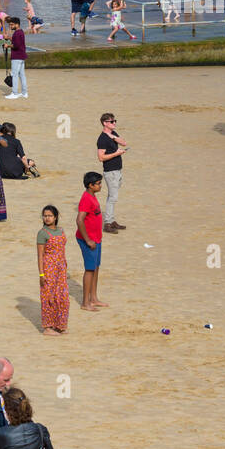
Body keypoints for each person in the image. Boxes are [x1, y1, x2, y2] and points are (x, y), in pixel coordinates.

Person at [76, 171, 105, 311]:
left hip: (96, 239)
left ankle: (93, 298)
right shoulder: (86, 199)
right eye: (98, 184)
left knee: (96, 267)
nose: (100, 186)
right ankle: (85, 303)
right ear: (90, 185)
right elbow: (79, 220)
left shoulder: (92, 196)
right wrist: (88, 240)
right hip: (89, 240)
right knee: (89, 269)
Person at [37, 205, 68, 335]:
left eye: (49, 216)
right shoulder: (42, 233)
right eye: (45, 216)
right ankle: (48, 327)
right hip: (49, 268)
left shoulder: (61, 230)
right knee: (48, 296)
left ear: (55, 217)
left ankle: (59, 324)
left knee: (62, 296)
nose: (47, 218)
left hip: (61, 267)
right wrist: (41, 274)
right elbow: (40, 255)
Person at [97, 113, 127, 233]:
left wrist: (113, 137)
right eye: (112, 122)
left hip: (117, 171)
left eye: (115, 121)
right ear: (105, 123)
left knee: (113, 197)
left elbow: (124, 143)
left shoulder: (112, 134)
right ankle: (108, 223)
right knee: (112, 198)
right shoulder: (102, 139)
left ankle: (111, 220)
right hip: (111, 172)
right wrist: (116, 153)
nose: (114, 123)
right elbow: (101, 157)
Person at [5, 17, 28, 98]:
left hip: (17, 56)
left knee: (14, 75)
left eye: (11, 25)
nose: (10, 26)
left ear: (17, 24)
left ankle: (14, 93)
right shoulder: (20, 32)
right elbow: (17, 42)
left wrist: (7, 45)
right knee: (22, 75)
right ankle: (24, 93)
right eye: (10, 25)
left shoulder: (17, 33)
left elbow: (16, 45)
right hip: (21, 56)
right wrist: (9, 38)